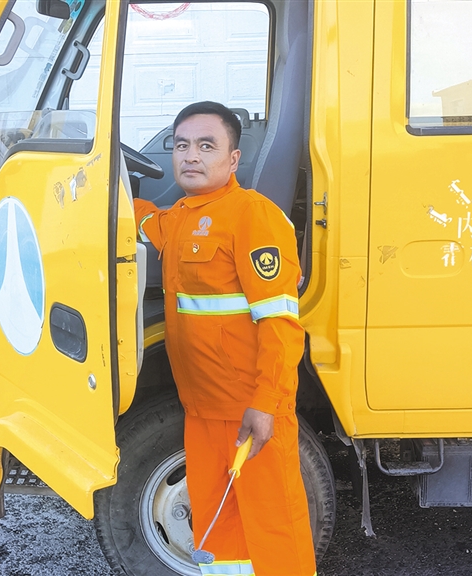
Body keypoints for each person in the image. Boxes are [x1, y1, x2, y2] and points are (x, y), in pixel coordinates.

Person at [133, 101, 316, 576]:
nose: (191, 156)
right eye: (181, 146)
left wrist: (266, 404)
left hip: (249, 412)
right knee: (219, 532)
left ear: (233, 159)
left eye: (206, 146)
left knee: (275, 530)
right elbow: (146, 220)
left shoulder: (253, 216)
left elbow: (280, 322)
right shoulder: (180, 218)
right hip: (202, 412)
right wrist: (104, 190)